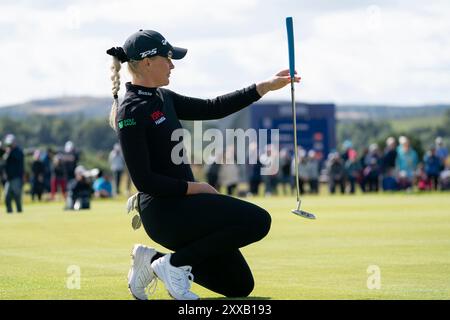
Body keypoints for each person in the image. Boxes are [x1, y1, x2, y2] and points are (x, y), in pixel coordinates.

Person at [106, 29, 299, 300]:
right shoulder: (131, 111)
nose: (172, 65)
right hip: (164, 212)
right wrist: (196, 188)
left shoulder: (164, 97)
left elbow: (213, 107)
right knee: (258, 221)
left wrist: (264, 87)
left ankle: (153, 262)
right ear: (148, 62)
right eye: (168, 59)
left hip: (185, 209)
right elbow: (144, 181)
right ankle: (173, 265)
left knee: (239, 285)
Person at [3, 134, 24, 213]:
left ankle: (19, 211)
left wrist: (9, 152)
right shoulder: (8, 152)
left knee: (16, 196)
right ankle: (9, 211)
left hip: (16, 177)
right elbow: (4, 162)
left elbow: (17, 158)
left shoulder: (18, 151)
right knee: (7, 196)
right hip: (9, 178)